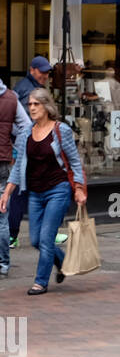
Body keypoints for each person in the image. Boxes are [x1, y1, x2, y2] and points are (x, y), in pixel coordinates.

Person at [0, 87, 86, 295]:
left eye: (36, 104)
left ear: (47, 106)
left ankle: (40, 282)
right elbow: (19, 164)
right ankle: (63, 261)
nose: (31, 108)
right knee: (36, 240)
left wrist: (80, 188)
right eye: (29, 104)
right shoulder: (26, 133)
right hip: (36, 193)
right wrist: (7, 192)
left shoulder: (60, 130)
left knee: (46, 238)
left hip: (58, 190)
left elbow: (74, 161)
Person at [8, 56, 51, 251]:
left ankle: (14, 233)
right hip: (30, 147)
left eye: (47, 72)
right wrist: (30, 139)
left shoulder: (25, 87)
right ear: (32, 70)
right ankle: (13, 233)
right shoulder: (27, 90)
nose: (45, 75)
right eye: (42, 71)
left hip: (27, 146)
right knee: (23, 190)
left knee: (26, 189)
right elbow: (23, 123)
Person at [0, 78, 29, 278]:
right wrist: (15, 152)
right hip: (2, 160)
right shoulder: (10, 97)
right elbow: (26, 126)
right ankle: (3, 264)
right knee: (1, 215)